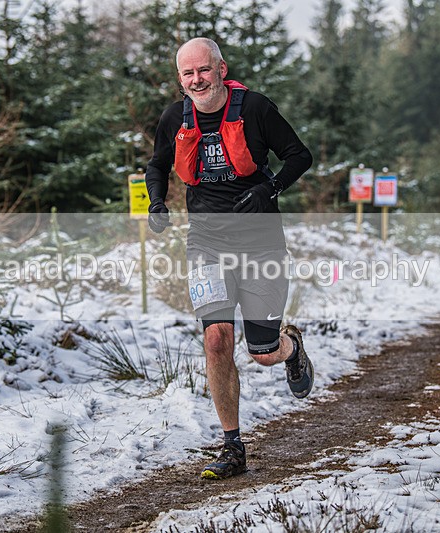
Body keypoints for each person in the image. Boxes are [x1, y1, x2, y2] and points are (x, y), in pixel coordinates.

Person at [145, 37, 314, 480]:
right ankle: (232, 446)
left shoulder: (255, 108)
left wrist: (269, 188)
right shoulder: (174, 116)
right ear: (180, 78)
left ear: (221, 68)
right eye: (187, 73)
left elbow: (300, 155)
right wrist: (157, 202)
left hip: (261, 245)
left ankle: (291, 349)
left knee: (262, 352)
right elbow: (157, 165)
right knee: (216, 340)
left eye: (203, 70)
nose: (196, 80)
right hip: (206, 243)